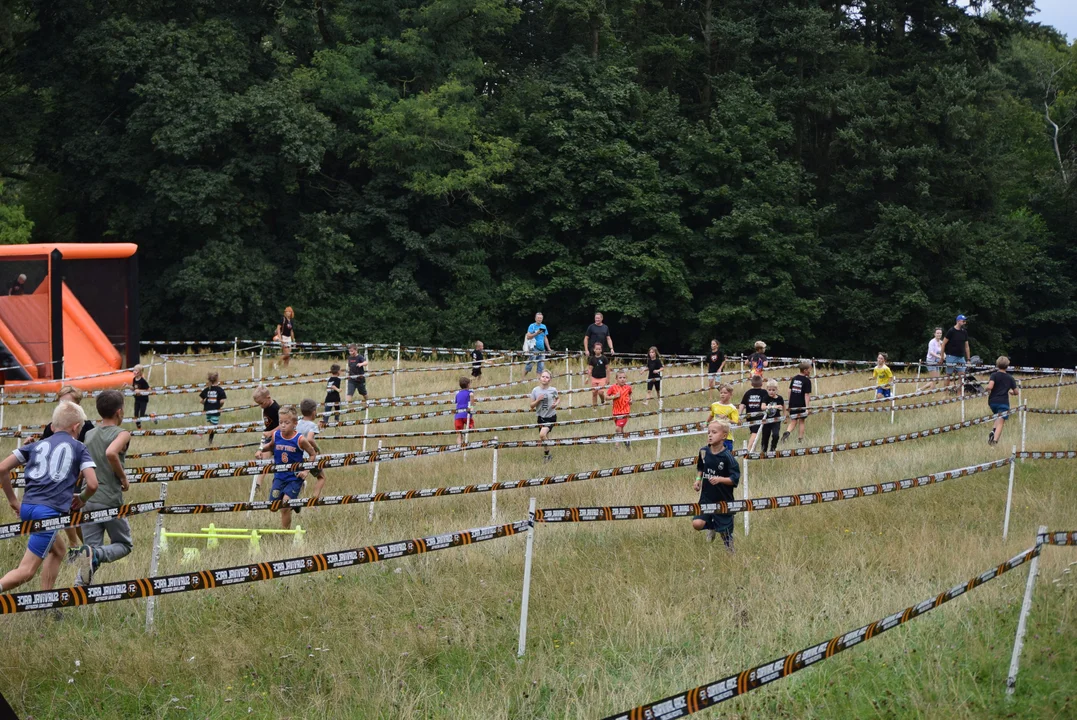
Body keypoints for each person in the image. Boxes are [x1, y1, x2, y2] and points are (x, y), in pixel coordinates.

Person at [0, 402, 98, 593]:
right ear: (76, 427)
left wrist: (13, 500)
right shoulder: (79, 447)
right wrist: (83, 497)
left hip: (27, 508)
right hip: (48, 514)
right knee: (26, 571)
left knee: (59, 550)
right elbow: (93, 484)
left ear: (52, 427)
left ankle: (45, 602)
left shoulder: (36, 445)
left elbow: (3, 468)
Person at [71, 390, 133, 586]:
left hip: (87, 498)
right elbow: (111, 453)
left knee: (88, 549)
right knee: (124, 544)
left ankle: (79, 588)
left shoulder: (88, 434)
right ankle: (97, 554)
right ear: (119, 412)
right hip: (109, 498)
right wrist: (123, 478)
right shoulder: (122, 433)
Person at [38, 385, 94, 552]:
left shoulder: (88, 427)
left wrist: (84, 473)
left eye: (67, 402)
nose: (63, 406)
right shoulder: (51, 427)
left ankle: (90, 548)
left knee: (76, 514)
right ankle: (74, 546)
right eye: (60, 402)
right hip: (57, 476)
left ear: (77, 405)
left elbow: (90, 453)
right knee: (65, 513)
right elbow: (44, 448)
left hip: (78, 475)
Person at [256, 405, 316, 530]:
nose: (283, 425)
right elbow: (271, 446)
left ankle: (284, 533)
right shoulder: (276, 435)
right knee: (273, 507)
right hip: (279, 477)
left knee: (285, 505)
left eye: (286, 423)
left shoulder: (300, 439)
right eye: (280, 422)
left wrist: (306, 471)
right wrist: (261, 450)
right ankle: (295, 504)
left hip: (294, 478)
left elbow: (312, 454)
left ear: (295, 424)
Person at [690, 420, 740, 550]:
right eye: (708, 432)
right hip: (706, 497)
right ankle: (711, 526)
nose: (710, 435)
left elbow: (735, 480)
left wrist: (720, 479)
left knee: (725, 533)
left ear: (724, 436)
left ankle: (731, 552)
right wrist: (697, 480)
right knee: (697, 524)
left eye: (714, 432)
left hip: (723, 499)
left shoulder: (728, 457)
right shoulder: (703, 452)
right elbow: (700, 467)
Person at [253, 386, 280, 494]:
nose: (260, 406)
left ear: (268, 397)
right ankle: (258, 486)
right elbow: (267, 428)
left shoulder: (276, 409)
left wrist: (271, 432)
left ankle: (300, 482)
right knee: (264, 460)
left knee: (281, 464)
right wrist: (261, 447)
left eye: (261, 403)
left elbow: (283, 425)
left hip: (279, 439)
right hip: (269, 439)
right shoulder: (266, 408)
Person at [986, 356, 1019, 446]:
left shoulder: (994, 375)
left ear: (997, 365)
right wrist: (1012, 392)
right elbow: (1016, 392)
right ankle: (994, 441)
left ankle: (993, 431)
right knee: (1001, 421)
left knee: (998, 415)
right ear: (1007, 366)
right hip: (1003, 402)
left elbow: (990, 386)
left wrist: (987, 389)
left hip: (993, 402)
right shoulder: (1010, 378)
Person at [298, 399, 327, 498]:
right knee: (321, 477)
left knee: (299, 477)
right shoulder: (312, 425)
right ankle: (313, 501)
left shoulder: (297, 423)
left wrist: (317, 427)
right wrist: (317, 448)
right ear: (314, 411)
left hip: (298, 456)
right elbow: (310, 438)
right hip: (309, 456)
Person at [529, 370, 560, 463]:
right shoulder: (535, 390)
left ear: (550, 380)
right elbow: (531, 405)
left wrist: (556, 404)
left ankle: (547, 454)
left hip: (551, 416)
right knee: (544, 437)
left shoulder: (553, 390)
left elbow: (558, 398)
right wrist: (538, 400)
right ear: (540, 378)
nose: (544, 378)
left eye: (547, 377)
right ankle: (547, 455)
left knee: (542, 434)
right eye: (543, 376)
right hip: (541, 417)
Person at [782, 361, 813, 444]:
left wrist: (790, 402)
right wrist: (807, 408)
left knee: (793, 421)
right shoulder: (807, 381)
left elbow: (789, 391)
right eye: (809, 369)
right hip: (801, 404)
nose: (810, 371)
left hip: (793, 403)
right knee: (802, 421)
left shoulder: (794, 378)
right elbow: (806, 395)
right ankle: (800, 440)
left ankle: (787, 433)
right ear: (805, 370)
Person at [738, 375, 770, 451]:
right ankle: (748, 450)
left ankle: (753, 451)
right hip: (759, 417)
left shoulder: (748, 393)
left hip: (749, 416)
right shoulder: (764, 392)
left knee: (754, 433)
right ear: (762, 384)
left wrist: (739, 414)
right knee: (755, 434)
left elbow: (742, 404)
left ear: (751, 384)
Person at [940, 315, 970, 390]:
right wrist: (942, 357)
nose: (964, 323)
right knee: (948, 374)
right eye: (963, 321)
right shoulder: (951, 331)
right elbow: (943, 343)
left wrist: (968, 359)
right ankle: (945, 393)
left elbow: (967, 346)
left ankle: (959, 393)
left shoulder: (964, 332)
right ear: (958, 321)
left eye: (965, 321)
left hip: (961, 357)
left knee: (961, 375)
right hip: (951, 356)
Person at [707, 384, 739, 452]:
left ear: (730, 394)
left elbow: (735, 421)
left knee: (727, 456)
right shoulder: (714, 405)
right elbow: (711, 415)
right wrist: (706, 423)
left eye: (725, 393)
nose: (722, 394)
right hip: (715, 436)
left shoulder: (732, 408)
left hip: (727, 437)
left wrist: (727, 419)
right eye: (721, 393)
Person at [606, 371, 633, 448]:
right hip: (616, 412)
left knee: (618, 428)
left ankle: (616, 447)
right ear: (616, 379)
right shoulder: (613, 388)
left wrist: (630, 399)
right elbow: (606, 397)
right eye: (620, 378)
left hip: (625, 411)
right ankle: (626, 440)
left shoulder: (628, 387)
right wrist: (614, 397)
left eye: (624, 378)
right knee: (620, 429)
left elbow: (630, 393)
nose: (622, 379)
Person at [199, 371, 226, 444]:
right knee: (213, 427)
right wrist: (219, 406)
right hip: (215, 411)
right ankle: (203, 432)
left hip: (207, 411)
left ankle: (208, 440)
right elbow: (222, 401)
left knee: (211, 425)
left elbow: (201, 400)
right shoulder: (220, 390)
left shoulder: (207, 389)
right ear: (217, 379)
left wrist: (207, 404)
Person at [759, 379, 786, 452]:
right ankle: (763, 451)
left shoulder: (779, 398)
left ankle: (773, 449)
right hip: (766, 420)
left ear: (776, 390)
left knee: (776, 435)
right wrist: (773, 407)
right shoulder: (766, 397)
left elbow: (783, 406)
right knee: (765, 437)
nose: (771, 391)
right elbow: (762, 407)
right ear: (767, 389)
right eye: (769, 390)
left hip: (776, 420)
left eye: (773, 390)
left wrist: (785, 416)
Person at [586, 342, 610, 408]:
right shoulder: (592, 359)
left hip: (602, 378)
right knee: (594, 393)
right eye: (597, 349)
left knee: (600, 392)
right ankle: (594, 407)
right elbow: (590, 369)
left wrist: (608, 378)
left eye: (599, 349)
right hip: (594, 377)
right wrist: (587, 378)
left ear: (601, 350)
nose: (598, 350)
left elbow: (607, 369)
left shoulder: (604, 358)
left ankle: (603, 400)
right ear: (594, 350)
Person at [131, 364, 153, 430]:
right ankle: (139, 428)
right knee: (136, 415)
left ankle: (151, 416)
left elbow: (149, 389)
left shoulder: (143, 381)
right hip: (137, 399)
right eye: (134, 370)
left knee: (142, 415)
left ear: (140, 372)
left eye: (136, 370)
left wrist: (140, 390)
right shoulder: (134, 379)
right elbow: (134, 388)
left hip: (143, 399)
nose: (134, 372)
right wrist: (128, 386)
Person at [454, 377, 474, 446]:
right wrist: (473, 403)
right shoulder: (470, 392)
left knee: (459, 434)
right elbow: (471, 397)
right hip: (466, 414)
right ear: (468, 385)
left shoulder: (457, 394)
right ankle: (466, 432)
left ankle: (460, 446)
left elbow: (457, 402)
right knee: (471, 425)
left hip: (458, 415)